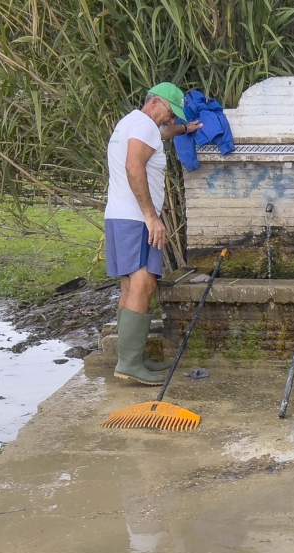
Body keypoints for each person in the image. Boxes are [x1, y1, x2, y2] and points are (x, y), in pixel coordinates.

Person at [105, 82, 203, 384]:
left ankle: (130, 357)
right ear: (156, 103)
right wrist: (151, 217)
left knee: (130, 287)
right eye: (170, 113)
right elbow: (134, 167)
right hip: (137, 219)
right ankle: (130, 365)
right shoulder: (144, 125)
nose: (171, 119)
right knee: (143, 284)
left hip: (120, 217)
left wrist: (184, 131)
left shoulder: (132, 123)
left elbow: (160, 136)